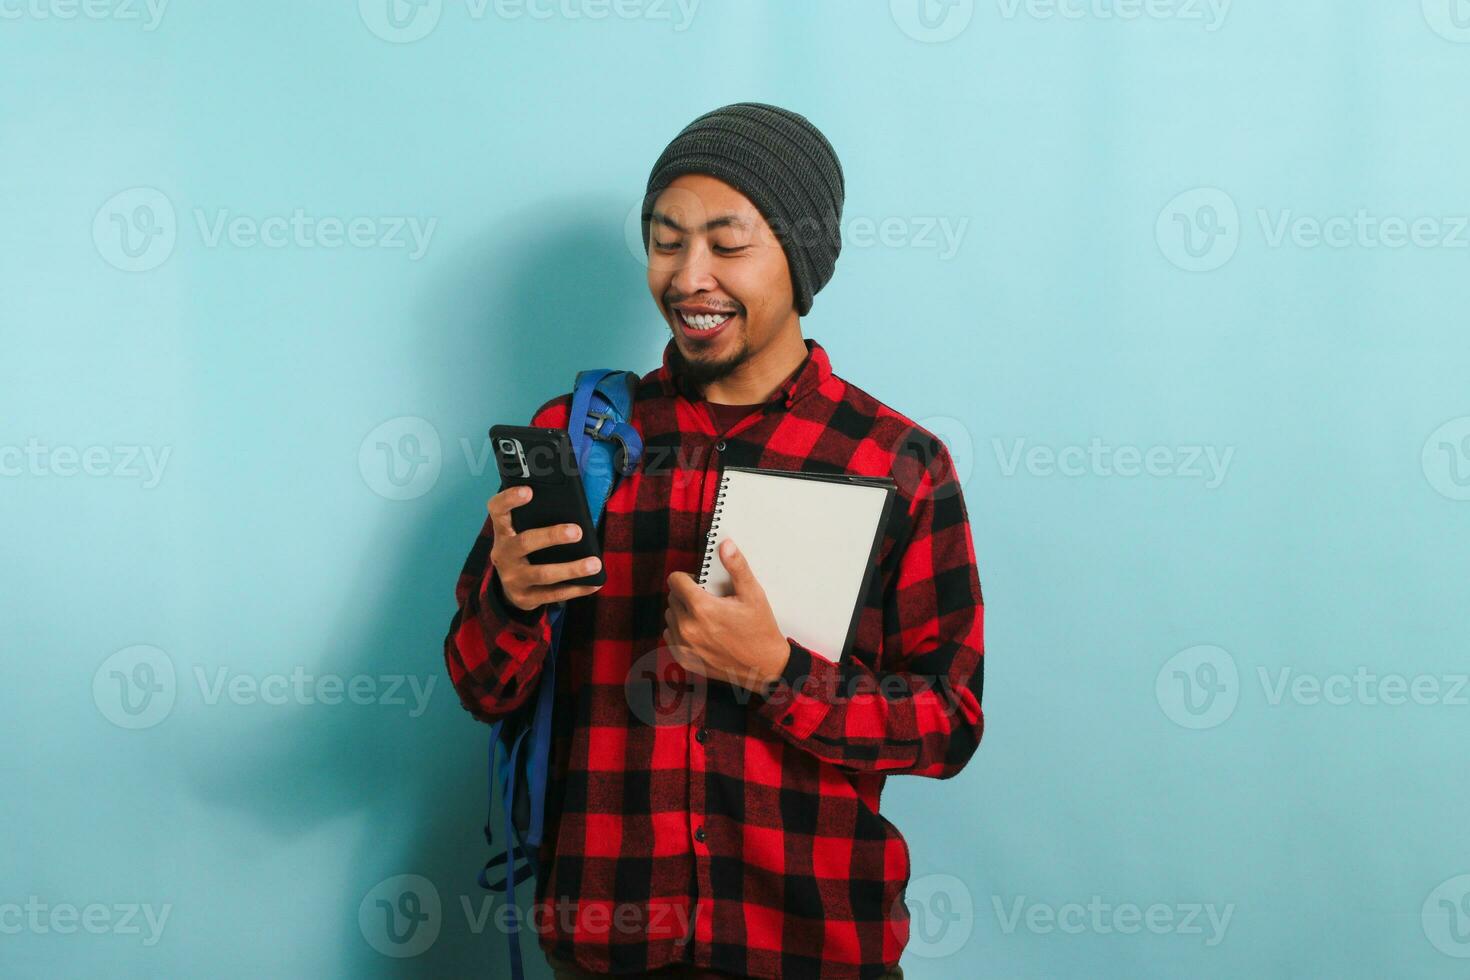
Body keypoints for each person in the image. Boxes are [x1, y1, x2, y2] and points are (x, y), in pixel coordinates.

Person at [444, 102, 986, 980]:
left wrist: (776, 671)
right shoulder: (576, 439)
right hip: (606, 948)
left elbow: (949, 725)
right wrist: (510, 600)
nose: (690, 277)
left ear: (800, 260)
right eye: (666, 241)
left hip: (811, 950)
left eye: (728, 244)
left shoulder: (898, 464)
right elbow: (478, 683)